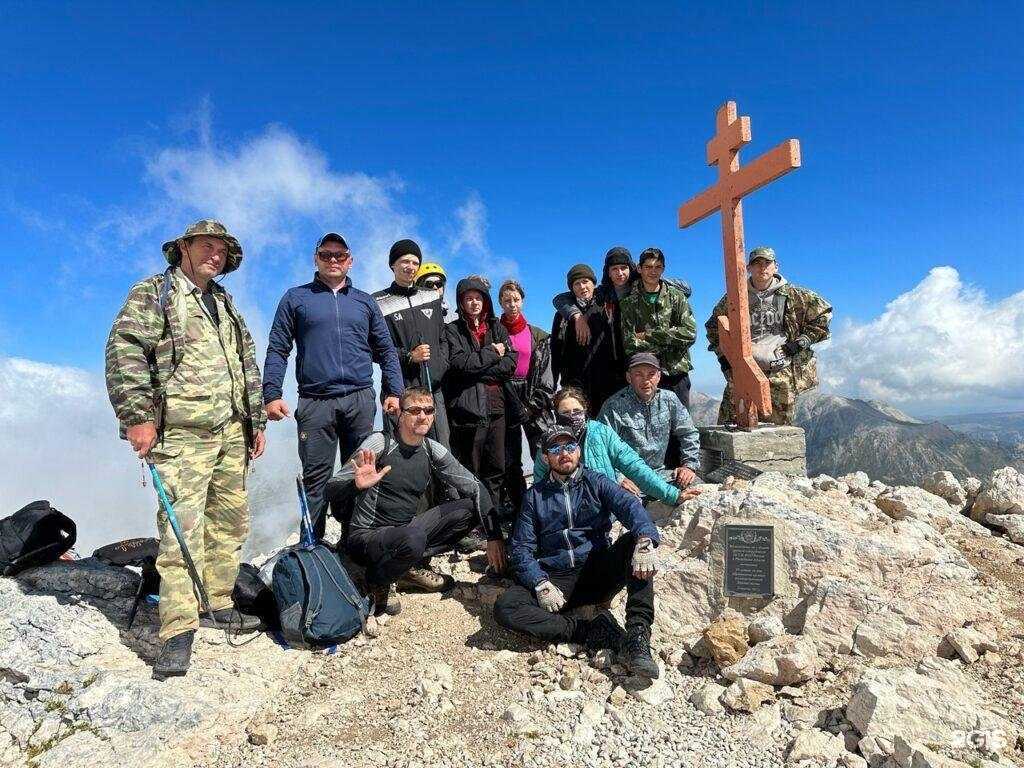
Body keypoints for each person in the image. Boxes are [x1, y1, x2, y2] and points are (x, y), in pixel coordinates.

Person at [105, 219, 267, 678]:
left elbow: (245, 362)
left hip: (232, 431)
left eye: (222, 250)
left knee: (230, 521)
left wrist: (254, 420)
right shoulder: (156, 292)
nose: (215, 254)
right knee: (181, 531)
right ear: (184, 248)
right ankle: (177, 628)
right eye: (207, 246)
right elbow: (125, 350)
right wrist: (137, 416)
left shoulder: (224, 303)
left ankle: (217, 601)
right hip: (181, 432)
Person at [263, 233, 405, 540]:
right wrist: (272, 394)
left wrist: (394, 391)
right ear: (316, 259)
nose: (333, 260)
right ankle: (312, 552)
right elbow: (278, 348)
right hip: (315, 403)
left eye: (340, 255)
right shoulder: (295, 298)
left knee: (361, 475)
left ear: (350, 261)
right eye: (326, 255)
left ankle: (356, 545)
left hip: (359, 399)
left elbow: (386, 350)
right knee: (316, 480)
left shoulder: (365, 301)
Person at [494, 424, 662, 678]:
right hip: (556, 580)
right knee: (506, 608)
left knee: (634, 544)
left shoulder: (596, 482)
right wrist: (539, 583)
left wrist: (646, 537)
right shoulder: (534, 496)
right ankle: (585, 630)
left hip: (595, 571)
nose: (564, 453)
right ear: (545, 457)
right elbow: (521, 549)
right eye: (555, 448)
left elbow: (629, 506)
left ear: (579, 451)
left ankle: (638, 636)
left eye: (570, 446)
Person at [326, 387, 506, 615]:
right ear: (400, 413)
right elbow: (331, 489)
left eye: (428, 410)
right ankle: (376, 581)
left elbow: (475, 487)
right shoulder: (379, 444)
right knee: (413, 538)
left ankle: (404, 570)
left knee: (469, 510)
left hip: (405, 531)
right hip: (367, 536)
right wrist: (355, 485)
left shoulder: (432, 449)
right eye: (414, 410)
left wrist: (494, 535)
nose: (423, 416)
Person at [706, 246, 833, 426]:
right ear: (748, 268)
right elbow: (714, 326)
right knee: (732, 428)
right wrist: (723, 358)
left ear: (776, 266)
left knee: (778, 433)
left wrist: (799, 343)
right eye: (757, 263)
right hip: (743, 374)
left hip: (779, 374)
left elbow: (823, 316)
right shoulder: (735, 297)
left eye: (767, 263)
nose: (762, 267)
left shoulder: (793, 294)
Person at [533, 388, 694, 508]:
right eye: (566, 412)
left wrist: (672, 495)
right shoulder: (549, 442)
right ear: (557, 414)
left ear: (585, 410)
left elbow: (634, 465)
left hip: (603, 510)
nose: (572, 416)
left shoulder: (601, 433)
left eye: (577, 411)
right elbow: (539, 487)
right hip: (565, 512)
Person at [444, 275, 518, 533]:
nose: (474, 303)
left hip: (497, 407)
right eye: (468, 299)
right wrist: (490, 354)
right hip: (467, 410)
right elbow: (457, 365)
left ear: (486, 301)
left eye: (478, 298)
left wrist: (477, 366)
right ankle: (472, 524)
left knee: (496, 467)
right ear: (461, 302)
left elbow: (510, 365)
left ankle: (492, 521)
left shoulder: (497, 328)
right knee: (470, 469)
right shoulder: (452, 330)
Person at [373, 239, 450, 446]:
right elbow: (373, 349)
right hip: (400, 390)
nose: (410, 267)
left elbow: (442, 338)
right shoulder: (377, 302)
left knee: (441, 449)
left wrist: (440, 367)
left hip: (433, 389)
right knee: (402, 451)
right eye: (405, 261)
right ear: (393, 265)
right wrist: (409, 357)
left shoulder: (432, 296)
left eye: (415, 263)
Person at [597, 353, 701, 492]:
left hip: (661, 476)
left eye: (651, 374)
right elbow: (599, 447)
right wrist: (618, 478)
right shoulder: (613, 406)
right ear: (629, 377)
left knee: (698, 489)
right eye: (639, 374)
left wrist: (689, 465)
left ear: (658, 377)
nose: (646, 380)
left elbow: (689, 433)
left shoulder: (669, 400)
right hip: (628, 481)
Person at [497, 279, 554, 514]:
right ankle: (520, 505)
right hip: (503, 394)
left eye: (516, 300)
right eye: (507, 300)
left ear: (523, 300)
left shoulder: (537, 334)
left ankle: (551, 499)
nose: (512, 305)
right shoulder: (494, 331)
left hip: (532, 395)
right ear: (500, 302)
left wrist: (535, 404)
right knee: (508, 455)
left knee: (544, 448)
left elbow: (546, 373)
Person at [620, 247, 697, 408]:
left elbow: (690, 333)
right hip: (646, 377)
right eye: (648, 267)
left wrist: (647, 336)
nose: (653, 272)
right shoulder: (629, 303)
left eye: (658, 267)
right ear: (639, 269)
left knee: (680, 428)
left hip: (676, 373)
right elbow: (629, 343)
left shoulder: (676, 297)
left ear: (663, 269)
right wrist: (671, 340)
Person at [550, 264, 617, 416]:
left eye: (586, 281)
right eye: (576, 283)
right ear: (572, 288)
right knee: (579, 429)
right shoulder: (562, 315)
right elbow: (555, 349)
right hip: (575, 383)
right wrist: (554, 383)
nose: (582, 287)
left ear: (594, 283)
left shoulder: (606, 306)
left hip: (607, 382)